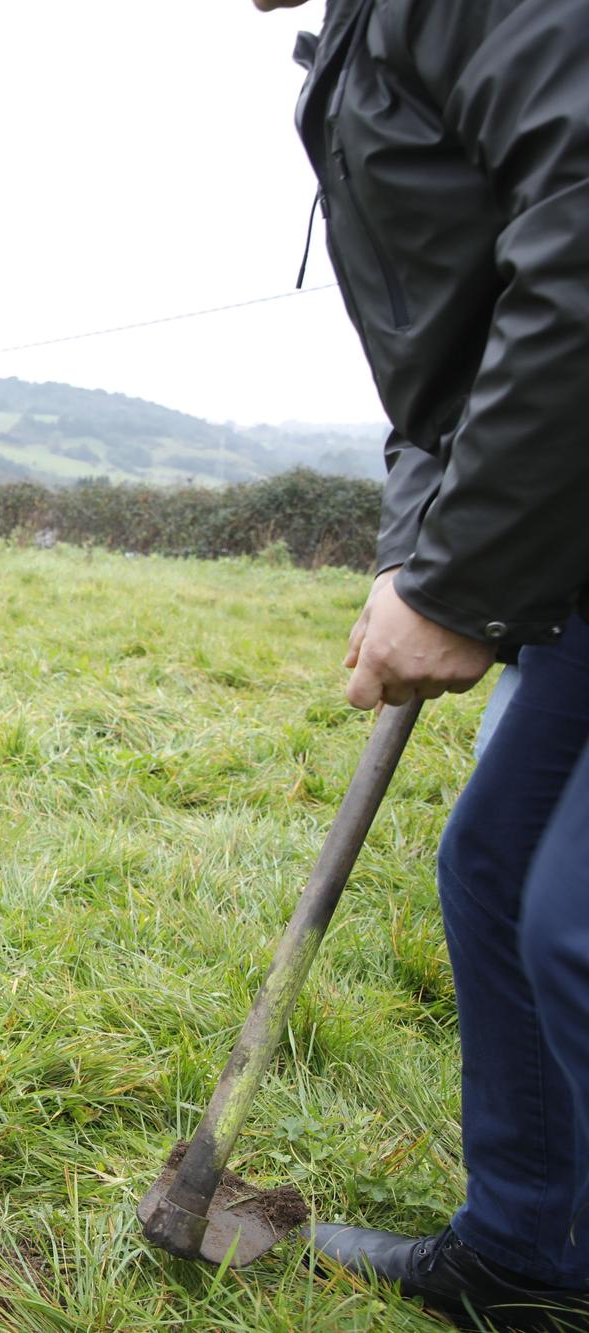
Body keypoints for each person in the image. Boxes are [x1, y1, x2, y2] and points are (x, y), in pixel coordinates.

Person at [259, 1, 589, 1326]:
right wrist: (417, 564)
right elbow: (445, 361)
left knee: (575, 918)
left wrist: (459, 581)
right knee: (500, 866)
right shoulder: (365, 28)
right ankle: (531, 1256)